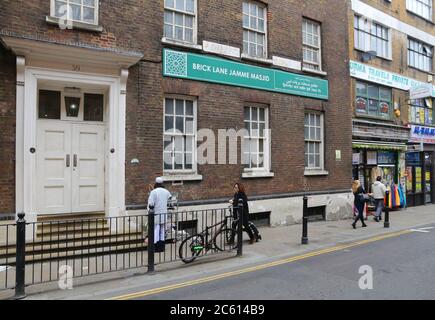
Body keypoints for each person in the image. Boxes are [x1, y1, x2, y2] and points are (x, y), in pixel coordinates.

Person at [147, 177, 172, 252]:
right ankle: (161, 247)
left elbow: (150, 204)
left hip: (156, 214)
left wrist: (149, 212)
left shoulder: (154, 192)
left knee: (156, 230)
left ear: (156, 183)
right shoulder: (166, 191)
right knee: (162, 230)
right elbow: (170, 201)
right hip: (164, 213)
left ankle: (154, 247)